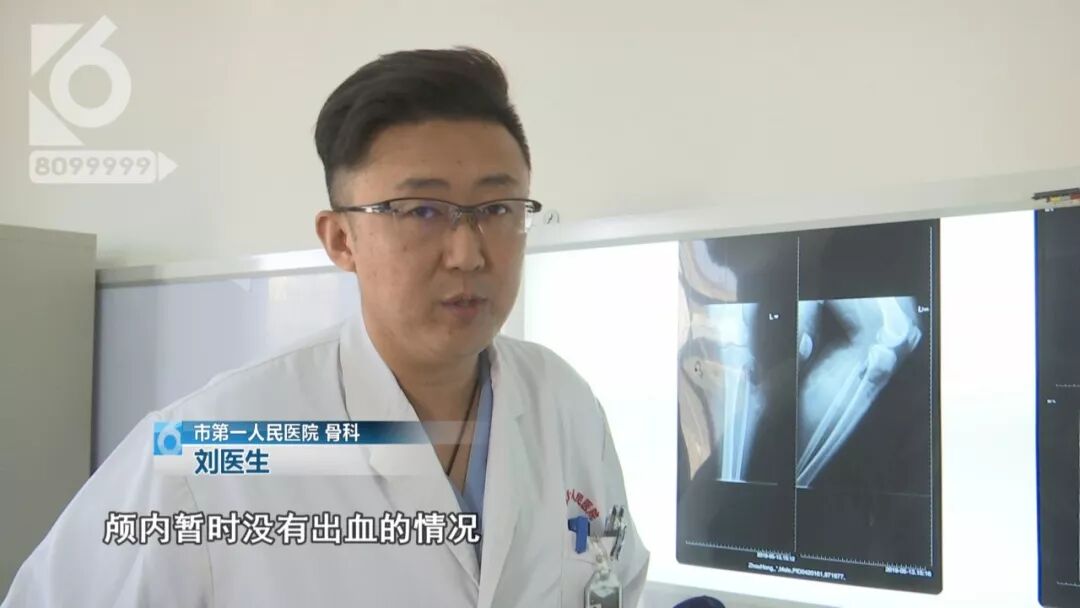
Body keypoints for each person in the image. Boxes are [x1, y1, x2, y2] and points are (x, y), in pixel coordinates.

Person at [2, 47, 649, 607]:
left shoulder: (563, 404)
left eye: (498, 208)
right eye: (422, 210)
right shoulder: (210, 449)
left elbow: (615, 580)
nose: (468, 253)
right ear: (341, 239)